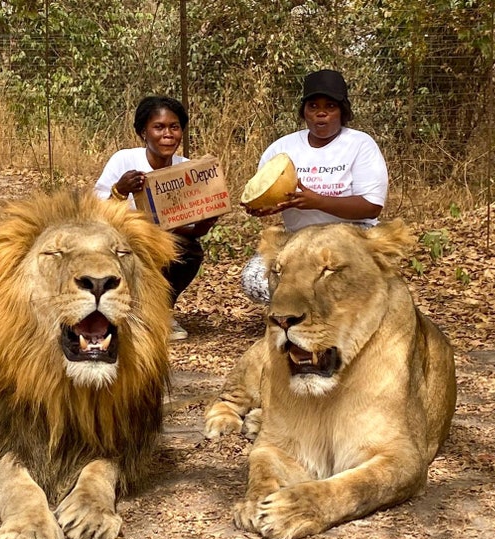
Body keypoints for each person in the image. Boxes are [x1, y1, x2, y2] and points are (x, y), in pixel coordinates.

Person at [241, 69, 389, 303]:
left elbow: (371, 207)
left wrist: (317, 201)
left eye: (330, 106)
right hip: (298, 238)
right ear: (304, 112)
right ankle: (300, 315)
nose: (321, 113)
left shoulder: (360, 144)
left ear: (343, 111)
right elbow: (266, 194)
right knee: (255, 279)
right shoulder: (282, 148)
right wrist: (264, 207)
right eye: (313, 106)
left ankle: (334, 319)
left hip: (353, 234)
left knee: (334, 276)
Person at [95, 95, 217, 341]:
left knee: (189, 250)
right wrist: (120, 190)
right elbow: (94, 214)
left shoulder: (186, 169)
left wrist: (204, 222)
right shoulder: (124, 160)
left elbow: (190, 230)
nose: (168, 134)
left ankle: (161, 311)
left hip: (162, 240)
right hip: (120, 240)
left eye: (174, 127)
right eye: (159, 127)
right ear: (143, 132)